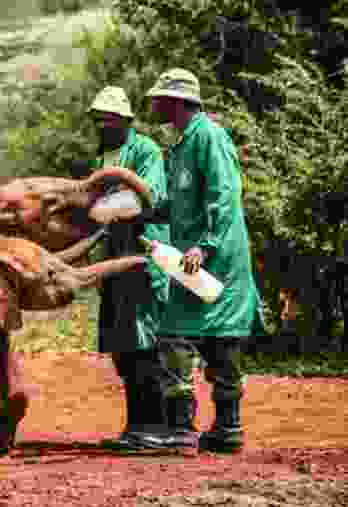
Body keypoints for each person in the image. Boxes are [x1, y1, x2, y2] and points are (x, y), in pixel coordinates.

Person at [144, 68, 266, 453]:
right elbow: (182, 205)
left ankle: (199, 430)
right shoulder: (180, 145)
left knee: (200, 337)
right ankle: (212, 429)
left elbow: (224, 195)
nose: (153, 104)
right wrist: (144, 214)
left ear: (177, 102)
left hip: (217, 259)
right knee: (195, 335)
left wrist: (206, 246)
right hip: (192, 258)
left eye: (158, 98)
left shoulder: (209, 137)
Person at [81, 86, 173, 451]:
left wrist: (101, 211)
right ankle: (137, 426)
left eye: (109, 117)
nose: (102, 123)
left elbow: (148, 195)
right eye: (97, 117)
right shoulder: (102, 155)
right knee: (122, 345)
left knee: (144, 342)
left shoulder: (145, 150)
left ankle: (154, 427)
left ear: (126, 119)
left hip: (142, 256)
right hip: (113, 258)